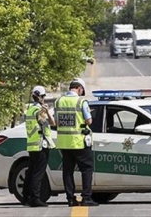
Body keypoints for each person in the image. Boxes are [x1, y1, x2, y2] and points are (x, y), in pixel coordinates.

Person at [55, 78, 98, 207]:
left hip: (64, 142)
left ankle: (70, 198)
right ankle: (86, 198)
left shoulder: (59, 101)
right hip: (79, 142)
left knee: (67, 171)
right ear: (79, 88)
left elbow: (57, 121)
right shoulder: (81, 102)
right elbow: (89, 121)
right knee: (86, 169)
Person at [23, 85, 56, 207]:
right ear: (39, 96)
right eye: (43, 96)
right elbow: (49, 122)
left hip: (33, 145)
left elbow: (49, 123)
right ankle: (35, 198)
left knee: (31, 172)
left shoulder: (30, 110)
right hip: (40, 145)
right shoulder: (38, 110)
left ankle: (26, 197)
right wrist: (46, 111)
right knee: (38, 173)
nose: (44, 98)